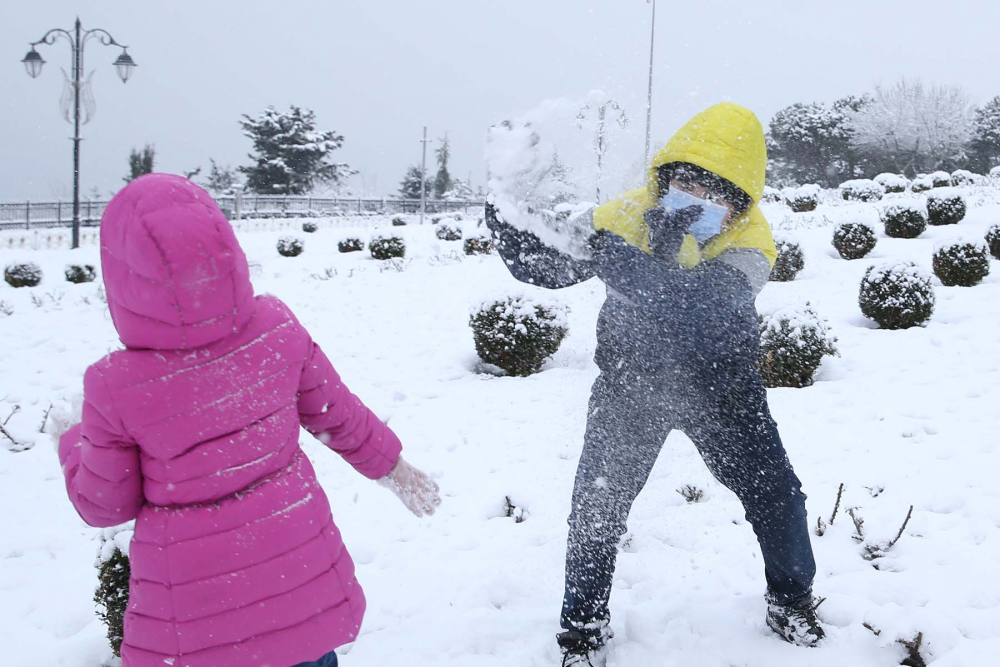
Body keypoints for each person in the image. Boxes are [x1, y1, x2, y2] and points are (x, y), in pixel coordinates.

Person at [55, 174, 441, 667]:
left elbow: (105, 505)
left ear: (123, 276)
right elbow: (336, 414)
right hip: (300, 592)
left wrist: (71, 442)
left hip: (197, 629)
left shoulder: (116, 386)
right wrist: (393, 467)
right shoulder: (274, 330)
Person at [486, 103, 823, 666]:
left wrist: (620, 261)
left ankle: (791, 600)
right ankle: (582, 631)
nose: (697, 196)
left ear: (740, 200)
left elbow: (701, 306)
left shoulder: (751, 244)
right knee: (597, 508)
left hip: (723, 392)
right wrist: (505, 203)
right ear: (665, 175)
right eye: (686, 179)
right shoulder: (624, 215)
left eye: (717, 191)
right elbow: (541, 265)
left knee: (776, 497)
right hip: (629, 387)